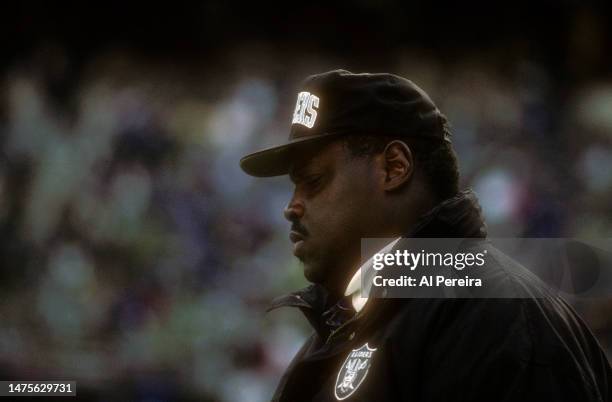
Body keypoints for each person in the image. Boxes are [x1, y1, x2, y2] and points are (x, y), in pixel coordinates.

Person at [239, 69, 612, 401]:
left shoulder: (497, 319)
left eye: (313, 181)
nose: (292, 206)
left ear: (394, 167)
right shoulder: (353, 322)